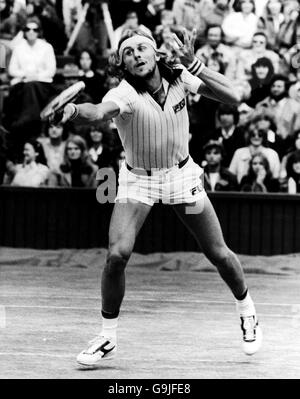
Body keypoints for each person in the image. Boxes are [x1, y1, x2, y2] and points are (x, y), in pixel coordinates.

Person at [59, 28, 262, 366]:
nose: (136, 55)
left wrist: (194, 64)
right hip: (138, 182)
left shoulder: (181, 77)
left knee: (218, 253)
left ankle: (248, 312)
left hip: (182, 177)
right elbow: (98, 110)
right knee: (117, 255)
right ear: (122, 63)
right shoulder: (123, 92)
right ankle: (107, 336)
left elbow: (233, 97)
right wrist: (76, 112)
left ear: (155, 54)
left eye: (142, 48)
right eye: (128, 52)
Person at [229, 118, 280, 183]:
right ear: (249, 136)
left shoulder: (272, 154)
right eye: (253, 135)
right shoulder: (239, 153)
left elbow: (276, 177)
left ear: (264, 136)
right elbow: (231, 175)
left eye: (260, 135)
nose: (256, 137)